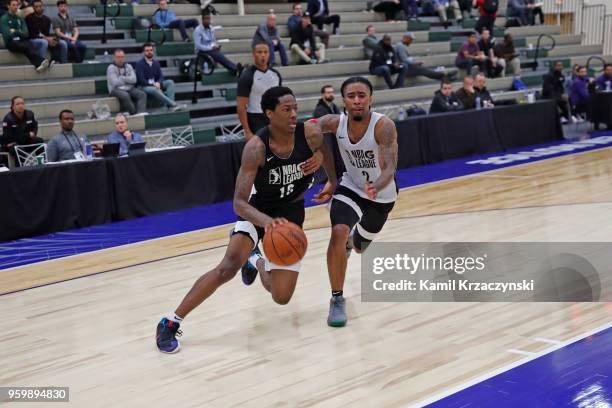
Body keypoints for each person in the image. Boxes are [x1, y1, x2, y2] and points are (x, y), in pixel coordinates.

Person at [155, 86, 336, 353]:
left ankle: (256, 259)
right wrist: (267, 222)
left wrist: (330, 176)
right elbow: (238, 202)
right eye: (286, 110)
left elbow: (326, 143)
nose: (293, 114)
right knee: (227, 267)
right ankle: (170, 322)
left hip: (291, 213)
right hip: (257, 210)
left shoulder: (309, 134)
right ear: (269, 113)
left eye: (295, 108)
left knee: (281, 296)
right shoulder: (256, 148)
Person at [308, 76, 398, 327]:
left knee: (359, 246)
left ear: (371, 98)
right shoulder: (335, 122)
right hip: (350, 186)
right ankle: (337, 298)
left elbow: (390, 168)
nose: (357, 101)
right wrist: (328, 172)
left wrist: (376, 186)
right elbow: (313, 126)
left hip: (381, 194)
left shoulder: (384, 126)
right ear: (343, 100)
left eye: (362, 95)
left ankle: (351, 243)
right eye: (351, 96)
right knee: (337, 231)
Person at [237, 42, 282, 140]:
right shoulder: (247, 76)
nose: (263, 55)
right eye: (259, 52)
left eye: (266, 52)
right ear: (253, 54)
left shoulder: (275, 75)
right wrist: (247, 132)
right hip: (255, 119)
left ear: (269, 54)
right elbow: (241, 106)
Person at [0, 0, 48, 71]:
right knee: (26, 47)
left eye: (17, 5)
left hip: (21, 40)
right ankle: (42, 61)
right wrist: (19, 32)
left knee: (29, 44)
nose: (15, 7)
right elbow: (7, 35)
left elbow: (26, 34)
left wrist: (15, 31)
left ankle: (38, 65)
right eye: (13, 5)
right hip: (11, 42)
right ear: (8, 6)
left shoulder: (20, 18)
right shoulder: (4, 18)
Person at [135, 43, 184, 112]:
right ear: (143, 52)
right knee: (155, 89)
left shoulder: (156, 63)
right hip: (144, 86)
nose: (149, 52)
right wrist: (153, 85)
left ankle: (170, 106)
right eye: (147, 50)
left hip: (155, 84)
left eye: (151, 50)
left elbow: (161, 76)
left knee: (170, 82)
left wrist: (158, 82)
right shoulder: (139, 64)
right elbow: (141, 80)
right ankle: (174, 105)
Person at [194, 8, 241, 76]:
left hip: (210, 49)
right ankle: (235, 68)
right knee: (217, 54)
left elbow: (213, 41)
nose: (208, 21)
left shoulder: (212, 28)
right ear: (202, 20)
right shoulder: (197, 30)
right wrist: (210, 48)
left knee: (218, 53)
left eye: (209, 19)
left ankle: (234, 70)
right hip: (200, 51)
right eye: (206, 19)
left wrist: (215, 46)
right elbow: (198, 46)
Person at [1, 96, 44, 163]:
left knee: (39, 141)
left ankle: (42, 164)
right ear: (12, 106)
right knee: (18, 149)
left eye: (22, 103)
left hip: (24, 141)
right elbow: (9, 138)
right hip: (12, 146)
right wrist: (27, 135)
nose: (21, 105)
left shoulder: (30, 114)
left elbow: (34, 130)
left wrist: (23, 136)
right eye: (17, 104)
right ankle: (21, 170)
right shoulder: (8, 119)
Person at [107, 48, 147, 115]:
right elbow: (115, 83)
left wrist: (122, 78)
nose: (120, 59)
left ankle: (141, 113)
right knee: (125, 95)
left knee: (142, 94)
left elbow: (134, 80)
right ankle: (133, 113)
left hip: (129, 88)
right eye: (118, 57)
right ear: (114, 58)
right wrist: (128, 80)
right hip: (115, 90)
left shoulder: (128, 66)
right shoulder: (111, 68)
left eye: (122, 57)